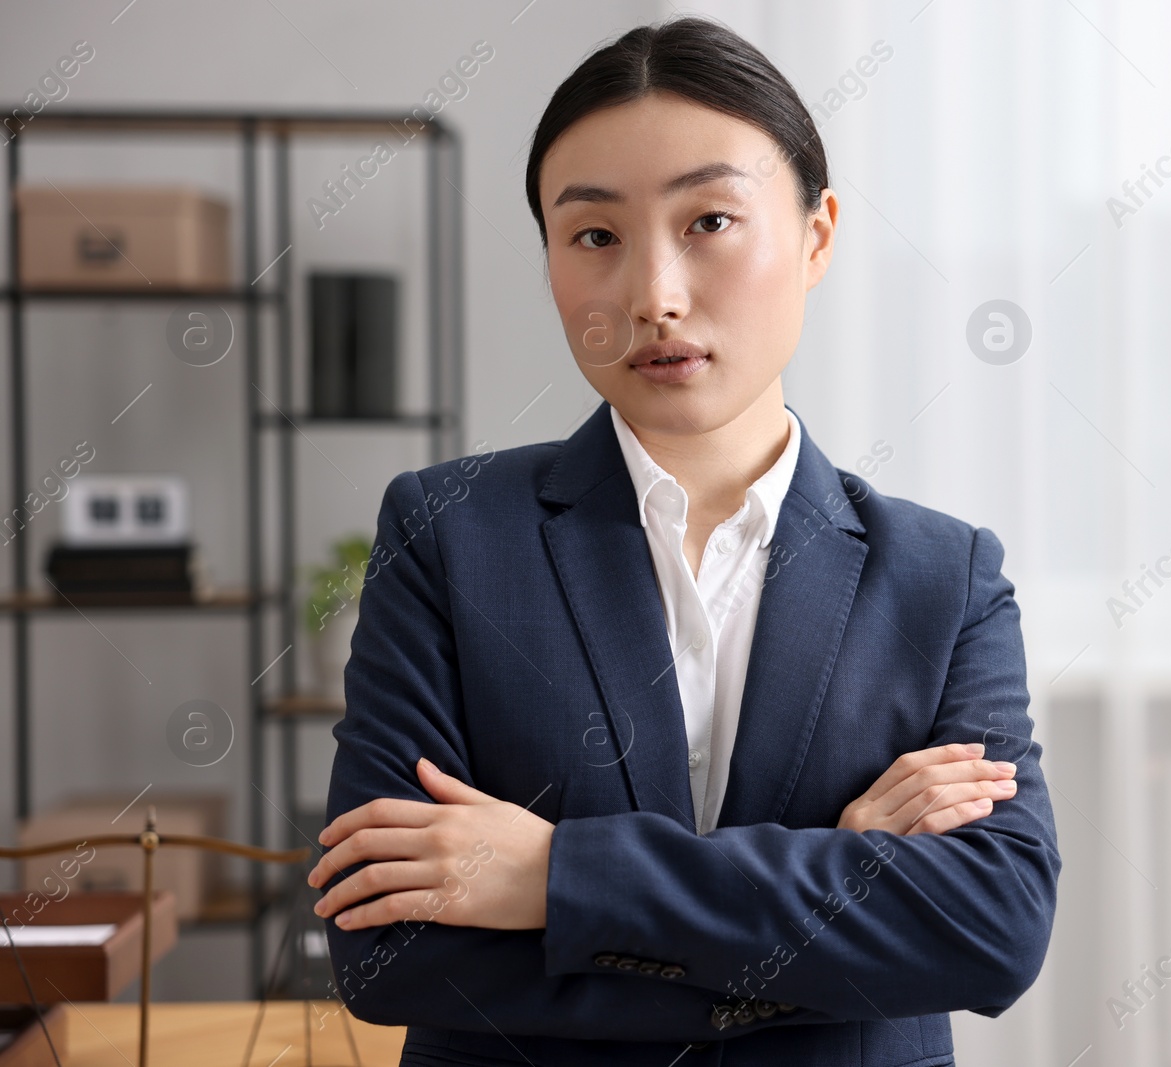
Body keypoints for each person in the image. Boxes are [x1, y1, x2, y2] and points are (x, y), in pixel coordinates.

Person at [307, 15, 1059, 1066]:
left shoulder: (943, 577)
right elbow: (387, 949)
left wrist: (559, 877)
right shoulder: (447, 534)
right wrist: (833, 886)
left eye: (709, 220)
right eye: (595, 236)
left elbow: (990, 927)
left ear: (816, 235)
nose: (652, 297)